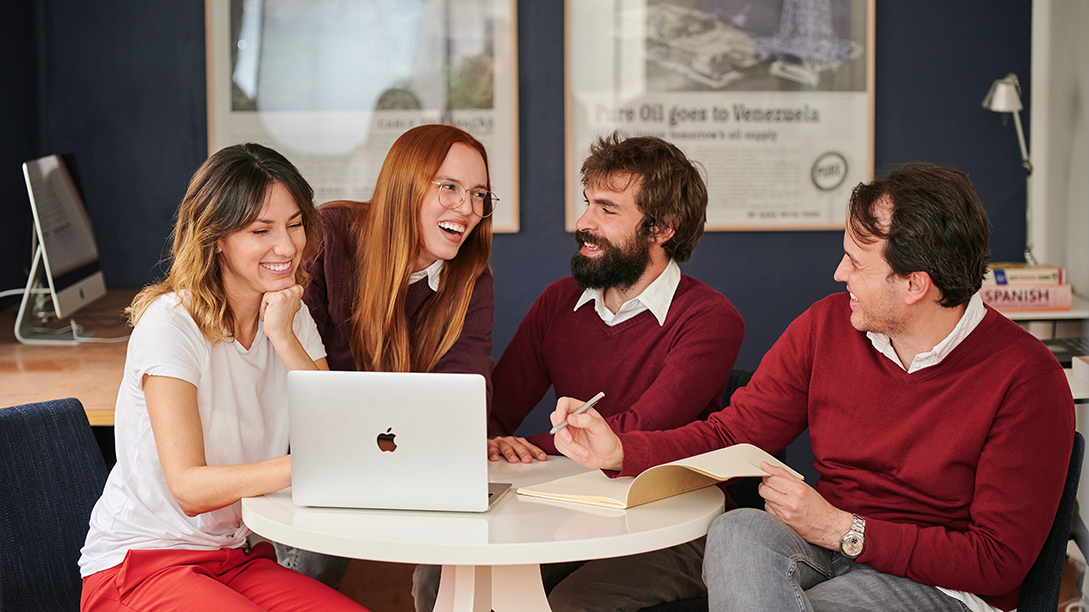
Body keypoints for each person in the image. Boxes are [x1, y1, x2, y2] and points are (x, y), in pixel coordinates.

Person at [552, 163, 1076, 612]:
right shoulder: (828, 326)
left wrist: (844, 529)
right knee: (736, 531)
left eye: (856, 261)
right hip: (823, 543)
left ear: (915, 284)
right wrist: (622, 448)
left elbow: (997, 563)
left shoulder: (1027, 378)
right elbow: (733, 432)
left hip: (938, 585)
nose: (837, 272)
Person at [414, 133, 745, 612]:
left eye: (607, 210)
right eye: (588, 203)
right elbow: (493, 411)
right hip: (573, 507)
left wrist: (529, 447)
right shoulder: (558, 302)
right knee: (440, 578)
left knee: (573, 603)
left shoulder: (710, 318)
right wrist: (493, 438)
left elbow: (634, 433)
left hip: (675, 522)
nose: (582, 223)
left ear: (663, 229)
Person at [78, 144, 368, 611]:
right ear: (216, 238)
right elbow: (190, 489)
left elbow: (336, 431)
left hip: (235, 557)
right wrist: (313, 465)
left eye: (295, 224)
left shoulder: (290, 316)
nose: (287, 246)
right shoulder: (171, 324)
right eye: (261, 230)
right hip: (141, 564)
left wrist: (282, 336)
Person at [276, 124, 496, 586]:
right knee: (315, 561)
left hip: (412, 458)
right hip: (319, 452)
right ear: (405, 184)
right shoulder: (329, 235)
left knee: (451, 565)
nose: (468, 209)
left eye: (479, 195)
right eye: (450, 187)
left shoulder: (471, 278)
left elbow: (467, 395)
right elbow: (293, 365)